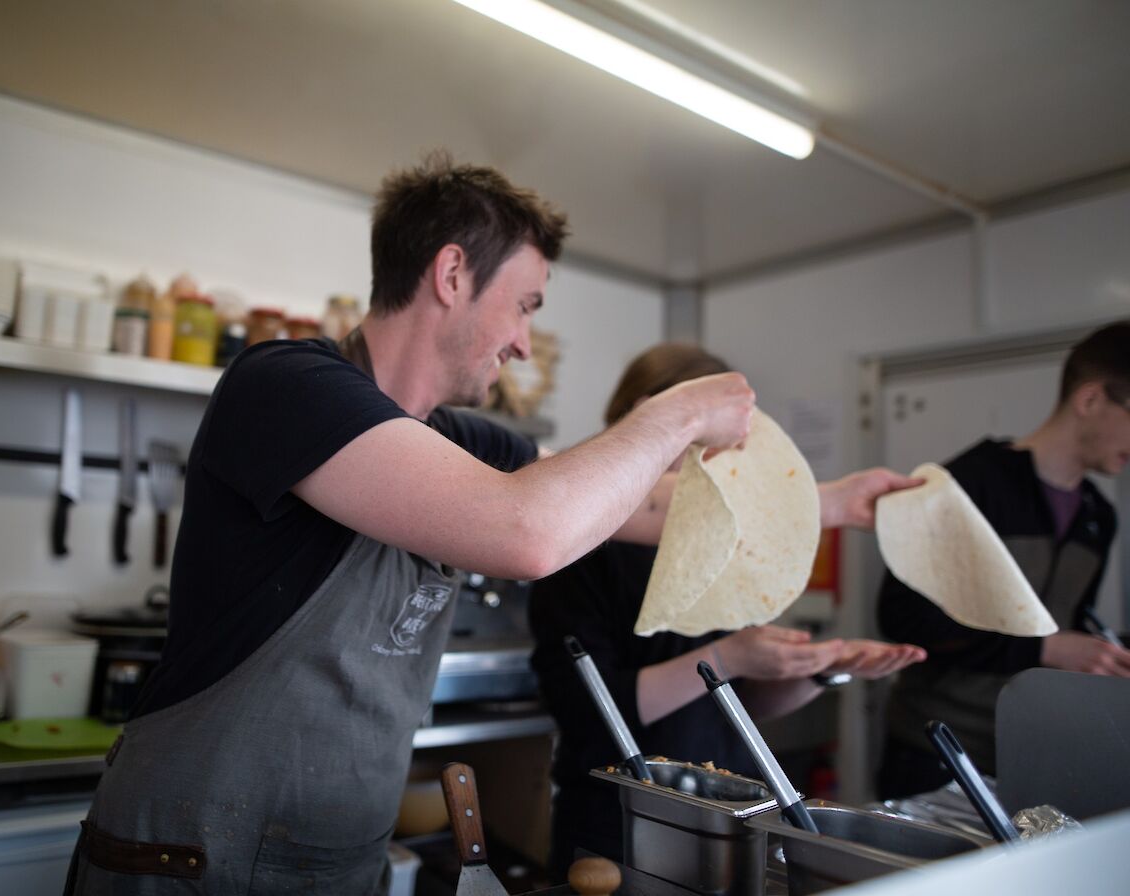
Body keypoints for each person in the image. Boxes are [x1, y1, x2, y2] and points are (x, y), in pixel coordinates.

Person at [66, 153, 763, 895]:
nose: (526, 342)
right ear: (453, 274)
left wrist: (830, 503)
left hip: (334, 867)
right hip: (192, 861)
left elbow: (647, 505)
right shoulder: (286, 386)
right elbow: (528, 534)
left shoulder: (459, 440)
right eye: (526, 305)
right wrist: (677, 410)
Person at [529, 343, 926, 878]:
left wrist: (824, 668)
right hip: (620, 824)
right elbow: (589, 712)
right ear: (654, 413)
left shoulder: (721, 539)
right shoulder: (578, 536)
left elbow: (743, 704)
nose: (726, 462)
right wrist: (728, 655)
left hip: (729, 818)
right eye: (713, 439)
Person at [876, 320, 1130, 799]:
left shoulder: (1100, 516)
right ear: (1091, 399)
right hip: (936, 749)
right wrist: (1044, 650)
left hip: (1028, 751)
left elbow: (1069, 624)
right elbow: (903, 616)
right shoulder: (972, 486)